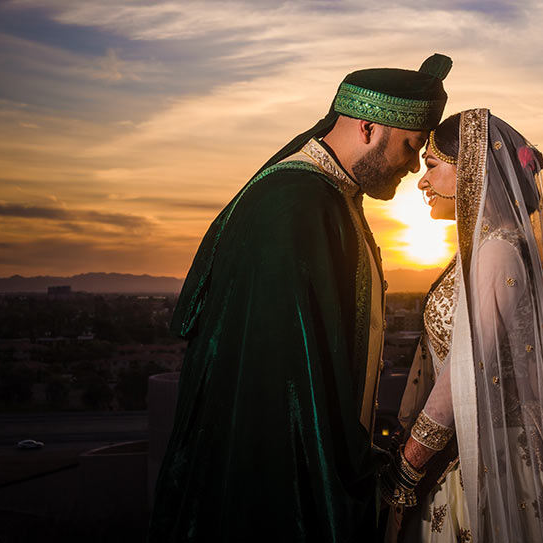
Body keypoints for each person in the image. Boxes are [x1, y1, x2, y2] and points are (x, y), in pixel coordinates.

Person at [148, 54, 452, 542]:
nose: (413, 166)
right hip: (274, 480)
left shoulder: (326, 196)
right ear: (368, 127)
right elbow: (288, 377)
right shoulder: (295, 205)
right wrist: (339, 480)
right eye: (411, 146)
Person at [385, 109, 543, 542]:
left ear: (472, 170)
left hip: (492, 458)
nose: (421, 181)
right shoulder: (492, 246)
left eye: (433, 167)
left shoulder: (497, 250)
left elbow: (467, 368)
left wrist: (410, 462)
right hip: (478, 447)